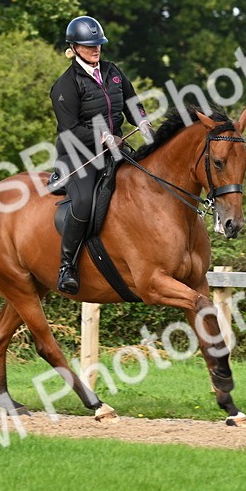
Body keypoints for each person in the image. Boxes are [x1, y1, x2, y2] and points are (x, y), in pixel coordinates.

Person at [49, 15, 153, 294]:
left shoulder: (112, 71)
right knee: (83, 202)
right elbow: (69, 129)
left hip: (115, 148)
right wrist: (103, 137)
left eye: (99, 44)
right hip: (78, 154)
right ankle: (66, 266)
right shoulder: (65, 85)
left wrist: (142, 120)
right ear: (74, 46)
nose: (96, 49)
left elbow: (132, 103)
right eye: (89, 45)